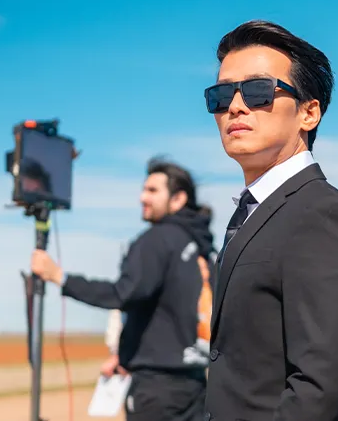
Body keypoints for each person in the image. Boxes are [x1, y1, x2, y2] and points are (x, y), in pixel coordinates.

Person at [202, 20, 338, 421]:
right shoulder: (255, 212)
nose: (235, 106)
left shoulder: (322, 214)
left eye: (259, 90)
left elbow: (320, 391)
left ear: (308, 113)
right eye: (221, 95)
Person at [30, 157, 217, 421]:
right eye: (143, 189)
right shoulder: (204, 249)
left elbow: (123, 294)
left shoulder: (157, 239)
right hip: (196, 384)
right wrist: (125, 356)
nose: (142, 197)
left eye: (152, 190)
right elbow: (166, 313)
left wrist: (60, 277)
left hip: (157, 391)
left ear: (177, 199)